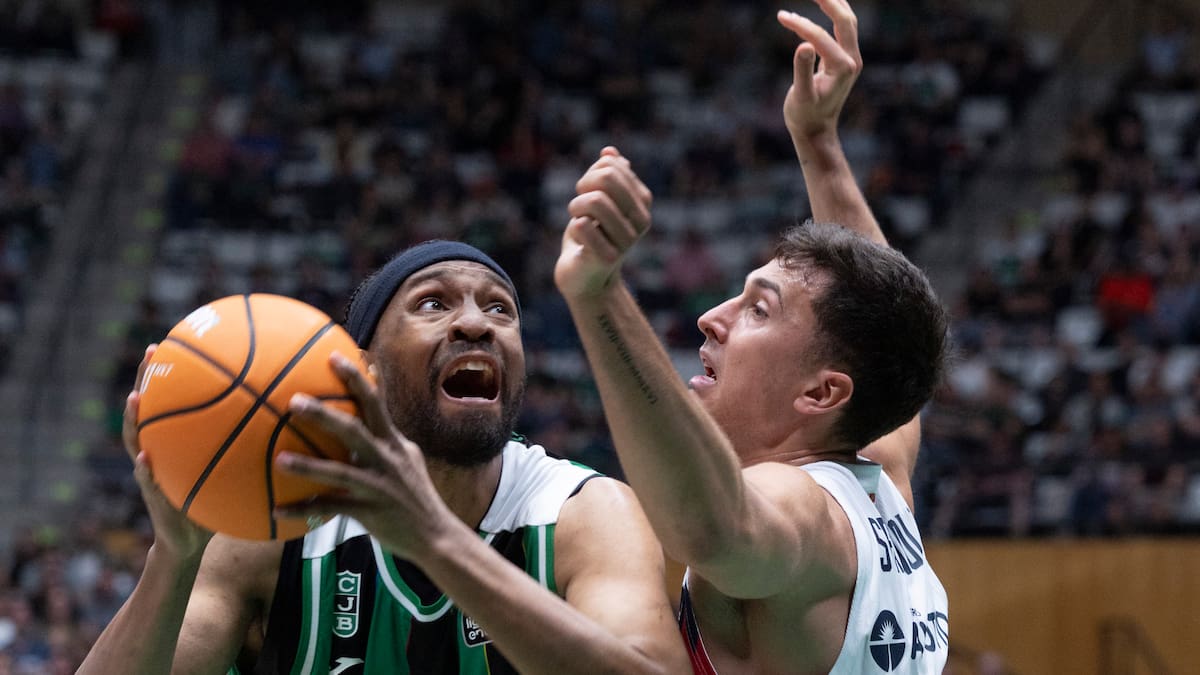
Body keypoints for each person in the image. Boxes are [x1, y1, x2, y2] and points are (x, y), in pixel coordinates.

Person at [553, 2, 951, 673]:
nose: (714, 316)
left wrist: (601, 294)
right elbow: (888, 319)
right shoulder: (880, 474)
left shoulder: (805, 511)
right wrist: (818, 139)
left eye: (758, 309)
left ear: (822, 392)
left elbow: (713, 528)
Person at [79, 241, 690, 674]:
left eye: (500, 308)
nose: (477, 324)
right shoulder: (282, 528)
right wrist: (175, 557)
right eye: (433, 304)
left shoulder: (583, 512)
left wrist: (431, 539)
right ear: (360, 371)